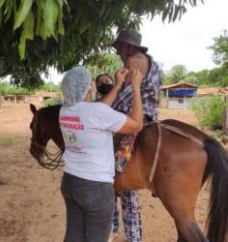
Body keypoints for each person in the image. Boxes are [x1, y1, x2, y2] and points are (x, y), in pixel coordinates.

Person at [59, 65, 143, 242]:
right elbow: (136, 124)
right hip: (96, 188)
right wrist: (136, 87)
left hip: (70, 183)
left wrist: (118, 84)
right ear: (89, 88)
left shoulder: (64, 111)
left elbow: (98, 110)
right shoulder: (96, 112)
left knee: (73, 236)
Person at [107, 29, 162, 242]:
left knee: (111, 174)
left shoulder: (132, 62)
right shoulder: (153, 63)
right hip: (152, 118)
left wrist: (105, 108)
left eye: (120, 46)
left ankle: (115, 229)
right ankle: (134, 234)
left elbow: (124, 98)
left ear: (129, 46)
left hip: (133, 121)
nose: (118, 51)